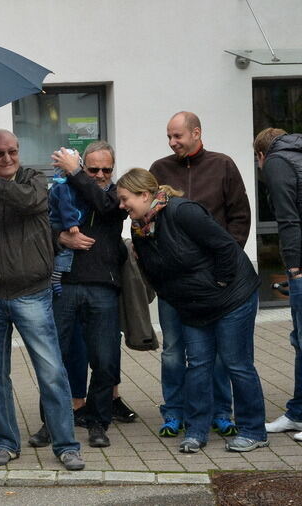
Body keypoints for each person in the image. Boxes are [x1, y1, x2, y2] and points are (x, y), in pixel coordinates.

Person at [0, 129, 85, 471]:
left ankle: (66, 445)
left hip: (32, 293)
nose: (8, 158)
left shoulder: (34, 179)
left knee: (51, 371)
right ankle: (5, 443)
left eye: (12, 151)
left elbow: (28, 202)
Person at [118, 168, 266, 453]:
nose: (122, 206)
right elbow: (153, 273)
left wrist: (219, 282)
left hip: (232, 297)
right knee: (197, 365)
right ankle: (196, 432)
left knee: (237, 364)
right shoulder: (140, 230)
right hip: (194, 306)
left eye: (125, 199)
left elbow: (224, 247)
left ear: (145, 195)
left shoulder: (183, 212)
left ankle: (254, 430)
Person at [149, 111, 250, 438]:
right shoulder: (159, 170)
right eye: (169, 137)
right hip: (173, 284)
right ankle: (174, 412)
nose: (172, 142)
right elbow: (148, 220)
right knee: (173, 351)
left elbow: (240, 217)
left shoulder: (223, 165)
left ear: (196, 132)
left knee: (218, 352)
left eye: (177, 136)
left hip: (215, 283)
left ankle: (221, 412)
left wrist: (226, 265)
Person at [26, 142, 128, 450]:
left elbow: (105, 207)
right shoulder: (62, 188)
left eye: (105, 169)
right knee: (53, 359)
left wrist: (76, 174)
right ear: (85, 167)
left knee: (105, 360)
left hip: (103, 286)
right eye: (92, 169)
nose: (99, 174)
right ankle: (52, 423)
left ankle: (98, 421)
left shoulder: (115, 194)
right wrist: (59, 236)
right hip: (64, 285)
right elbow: (41, 224)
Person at [254, 128, 302, 438]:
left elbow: (288, 218)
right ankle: (297, 413)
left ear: (260, 155)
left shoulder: (276, 162)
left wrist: (295, 268)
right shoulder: (297, 155)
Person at [48, 150, 90, 296]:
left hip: (62, 221)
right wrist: (71, 223)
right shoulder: (63, 187)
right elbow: (65, 206)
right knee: (66, 250)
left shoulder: (64, 185)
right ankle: (56, 276)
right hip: (61, 223)